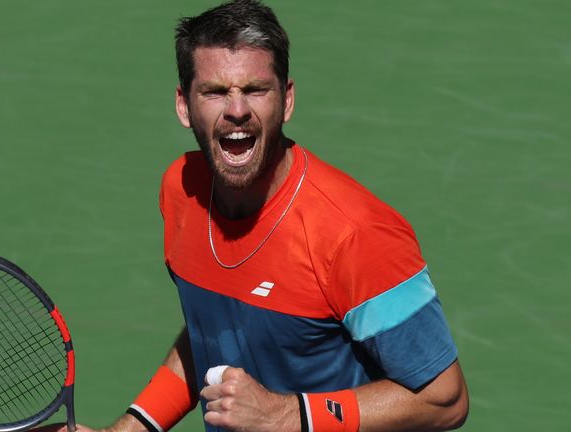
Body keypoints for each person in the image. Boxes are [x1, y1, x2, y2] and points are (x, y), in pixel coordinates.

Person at [38, 0, 468, 431]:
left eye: (255, 90)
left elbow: (445, 400)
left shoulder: (355, 232)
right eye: (215, 92)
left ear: (287, 100)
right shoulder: (181, 190)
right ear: (184, 105)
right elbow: (215, 332)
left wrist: (287, 415)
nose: (237, 110)